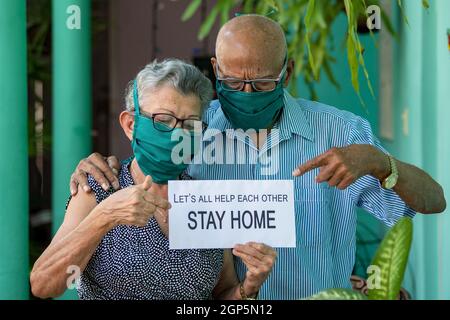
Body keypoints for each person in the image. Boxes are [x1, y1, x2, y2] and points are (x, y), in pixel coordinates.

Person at [69, 15, 446, 299]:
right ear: (216, 71)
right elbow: (143, 165)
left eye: (263, 82)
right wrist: (96, 170)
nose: (247, 92)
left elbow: (434, 201)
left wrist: (382, 164)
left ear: (287, 73)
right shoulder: (194, 133)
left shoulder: (341, 134)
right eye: (233, 82)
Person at [30, 59, 277, 300]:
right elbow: (43, 284)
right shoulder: (99, 186)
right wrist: (105, 216)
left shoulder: (205, 197)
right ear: (130, 124)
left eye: (190, 124)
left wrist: (250, 286)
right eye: (163, 120)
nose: (177, 133)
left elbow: (223, 292)